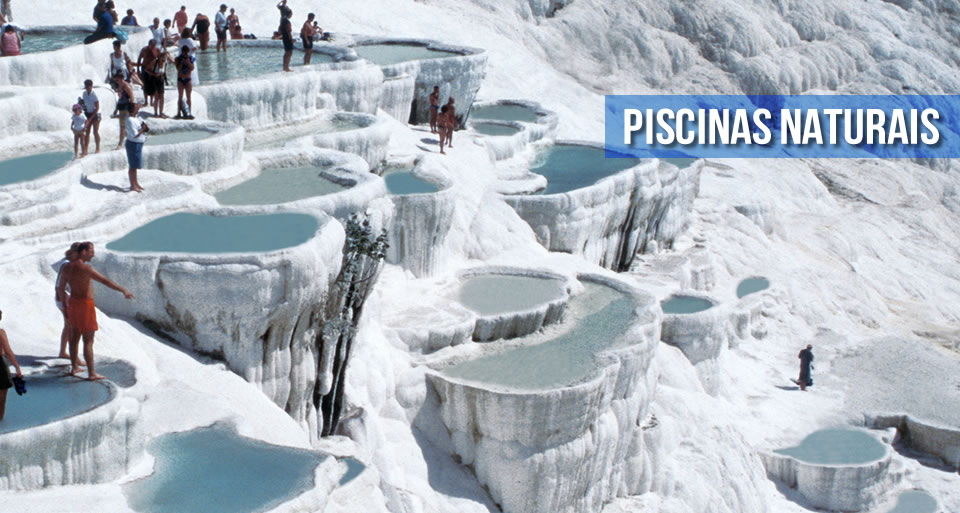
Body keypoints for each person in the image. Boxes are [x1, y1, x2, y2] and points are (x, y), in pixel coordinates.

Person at [58, 242, 134, 380]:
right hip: (85, 305)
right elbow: (105, 281)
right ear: (83, 252)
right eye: (91, 251)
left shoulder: (66, 268)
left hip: (73, 303)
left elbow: (61, 288)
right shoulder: (86, 268)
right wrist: (123, 290)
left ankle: (74, 367)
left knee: (74, 338)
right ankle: (92, 373)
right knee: (88, 340)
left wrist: (65, 306)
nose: (93, 253)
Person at [53, 243, 81, 359]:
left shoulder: (67, 262)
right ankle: (74, 357)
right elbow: (60, 286)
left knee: (68, 326)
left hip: (64, 298)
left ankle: (63, 352)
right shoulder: (67, 265)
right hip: (65, 299)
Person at [0, 309, 24, 422]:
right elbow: (8, 352)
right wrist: (17, 367)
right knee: (2, 396)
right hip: (0, 365)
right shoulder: (0, 333)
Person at [125, 102, 147, 192]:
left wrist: (143, 128)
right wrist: (143, 129)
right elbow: (134, 135)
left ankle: (135, 183)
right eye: (136, 108)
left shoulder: (135, 118)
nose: (137, 108)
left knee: (135, 166)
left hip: (137, 144)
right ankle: (132, 185)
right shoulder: (130, 120)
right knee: (132, 166)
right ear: (132, 110)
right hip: (133, 144)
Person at [111, 70, 134, 150]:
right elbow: (120, 98)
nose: (116, 81)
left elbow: (132, 97)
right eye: (116, 80)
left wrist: (131, 109)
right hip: (121, 107)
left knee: (123, 126)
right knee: (123, 126)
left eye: (117, 80)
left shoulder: (126, 86)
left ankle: (120, 144)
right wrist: (116, 109)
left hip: (126, 108)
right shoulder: (120, 86)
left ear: (121, 78)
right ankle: (125, 142)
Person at [80, 79, 102, 155]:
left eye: (88, 86)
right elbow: (84, 104)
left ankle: (98, 148)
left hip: (96, 114)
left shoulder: (94, 94)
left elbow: (97, 107)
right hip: (88, 113)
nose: (87, 88)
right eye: (86, 87)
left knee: (95, 131)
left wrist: (91, 118)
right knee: (87, 132)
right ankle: (85, 149)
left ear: (91, 86)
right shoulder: (84, 94)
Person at [175, 45, 194, 119]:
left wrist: (188, 61)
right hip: (180, 79)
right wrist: (182, 62)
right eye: (184, 52)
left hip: (188, 79)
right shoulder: (177, 59)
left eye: (186, 52)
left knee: (188, 97)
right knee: (180, 96)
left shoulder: (191, 58)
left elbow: (192, 68)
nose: (185, 54)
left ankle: (189, 113)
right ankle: (178, 113)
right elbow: (178, 69)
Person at [277, 0, 293, 72]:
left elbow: (279, 29)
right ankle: (287, 67)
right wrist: (291, 39)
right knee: (289, 52)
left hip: (284, 38)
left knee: (286, 52)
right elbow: (289, 32)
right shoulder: (287, 22)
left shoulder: (282, 21)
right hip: (288, 38)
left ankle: (285, 67)